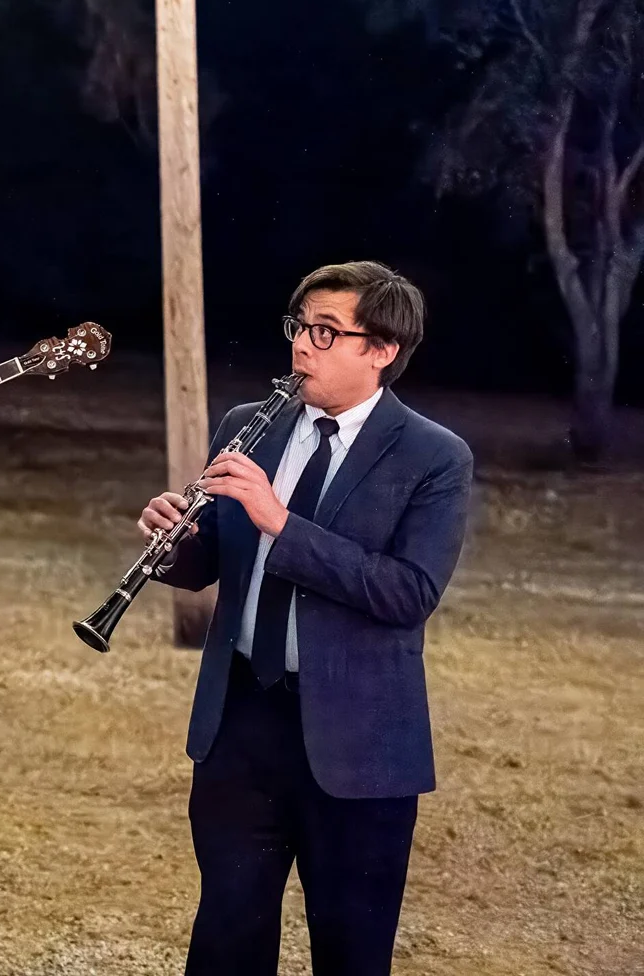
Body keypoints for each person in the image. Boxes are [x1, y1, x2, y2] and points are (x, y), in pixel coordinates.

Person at [142, 261, 472, 976]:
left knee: (352, 953)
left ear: (382, 349)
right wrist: (175, 544)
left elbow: (409, 592)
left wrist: (280, 522)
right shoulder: (247, 426)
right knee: (227, 939)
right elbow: (213, 563)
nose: (301, 344)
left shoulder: (435, 457)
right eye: (299, 326)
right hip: (241, 724)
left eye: (326, 332)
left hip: (360, 744)